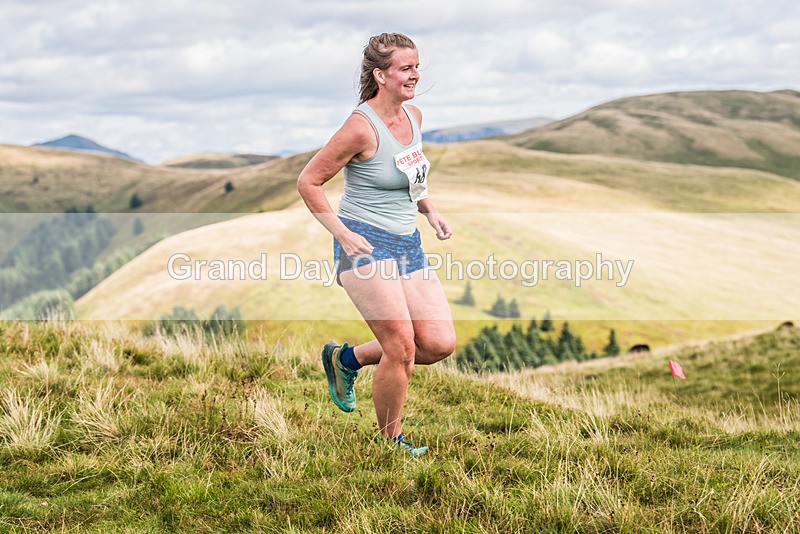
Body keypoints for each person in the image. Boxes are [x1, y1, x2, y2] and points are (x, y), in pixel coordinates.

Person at [297, 32, 456, 457]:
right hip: (365, 245)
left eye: (417, 66)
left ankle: (345, 360)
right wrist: (343, 234)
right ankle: (392, 443)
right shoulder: (358, 127)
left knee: (438, 343)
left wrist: (430, 209)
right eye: (406, 68)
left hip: (408, 243)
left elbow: (410, 173)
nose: (415, 75)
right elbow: (308, 182)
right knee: (401, 348)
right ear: (380, 75)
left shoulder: (414, 117)